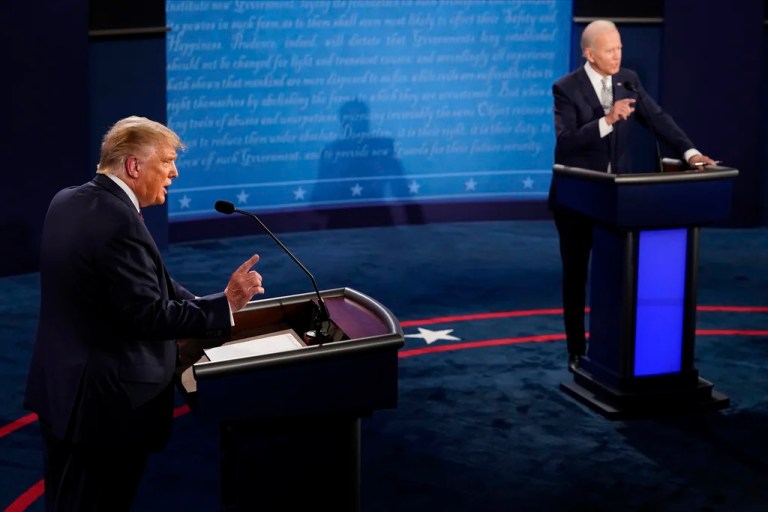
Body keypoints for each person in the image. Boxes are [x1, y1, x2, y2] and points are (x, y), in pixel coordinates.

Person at [24, 116, 266, 511]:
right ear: (134, 166)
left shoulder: (69, 200)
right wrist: (226, 305)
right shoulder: (119, 220)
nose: (175, 172)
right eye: (167, 161)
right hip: (106, 409)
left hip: (63, 391)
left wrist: (218, 303)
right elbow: (148, 315)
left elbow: (151, 286)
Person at [548, 20, 717, 372]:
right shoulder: (566, 88)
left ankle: (613, 348)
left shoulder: (628, 80)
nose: (617, 55)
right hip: (576, 198)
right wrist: (608, 120)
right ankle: (576, 350)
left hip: (617, 199)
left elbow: (658, 119)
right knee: (577, 274)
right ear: (589, 54)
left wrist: (691, 154)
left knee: (617, 273)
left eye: (620, 47)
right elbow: (565, 141)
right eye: (610, 50)